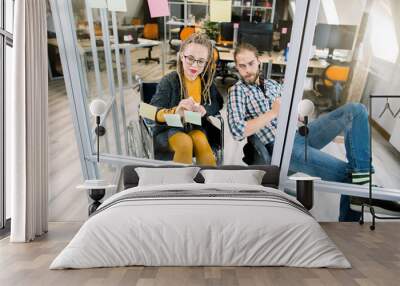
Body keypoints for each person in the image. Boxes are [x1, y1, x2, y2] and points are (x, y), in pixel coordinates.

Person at [227, 43, 371, 222]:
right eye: (242, 66)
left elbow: (288, 111)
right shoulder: (237, 92)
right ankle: (351, 224)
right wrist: (272, 112)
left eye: (250, 63)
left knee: (356, 110)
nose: (247, 70)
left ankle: (363, 178)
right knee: (349, 176)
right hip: (282, 149)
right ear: (237, 67)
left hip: (300, 134)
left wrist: (298, 115)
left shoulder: (273, 85)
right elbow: (237, 131)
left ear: (259, 62)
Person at [150, 33, 223, 166]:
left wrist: (204, 110)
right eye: (190, 58)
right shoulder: (169, 81)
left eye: (201, 61)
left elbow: (218, 103)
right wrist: (175, 112)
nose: (195, 66)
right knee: (185, 143)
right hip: (170, 128)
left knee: (200, 140)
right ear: (181, 56)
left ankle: (209, 183)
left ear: (207, 62)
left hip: (195, 127)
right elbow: (149, 111)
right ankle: (180, 185)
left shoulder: (206, 82)